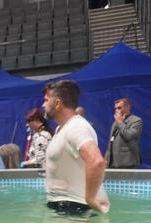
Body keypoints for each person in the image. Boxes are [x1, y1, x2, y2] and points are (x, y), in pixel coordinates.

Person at [43, 80, 109, 215]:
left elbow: (97, 162)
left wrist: (90, 198)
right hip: (65, 208)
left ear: (57, 103)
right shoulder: (61, 129)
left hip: (74, 210)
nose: (43, 105)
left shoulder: (77, 127)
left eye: (46, 100)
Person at [104, 98, 143, 169]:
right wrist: (106, 159)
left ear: (127, 107)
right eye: (115, 108)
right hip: (112, 162)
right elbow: (111, 142)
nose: (116, 110)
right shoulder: (115, 122)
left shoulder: (136, 121)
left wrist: (120, 122)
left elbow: (128, 136)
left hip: (127, 162)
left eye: (119, 108)